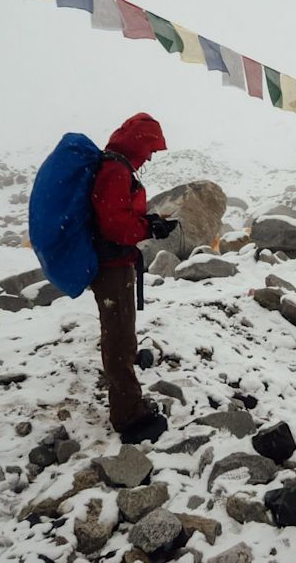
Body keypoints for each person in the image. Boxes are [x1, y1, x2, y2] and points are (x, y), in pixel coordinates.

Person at [91, 112, 177, 444]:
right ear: (139, 143)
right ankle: (128, 415)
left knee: (120, 334)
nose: (152, 155)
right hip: (112, 266)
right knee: (119, 338)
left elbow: (118, 217)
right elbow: (115, 225)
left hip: (115, 261)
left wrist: (148, 221)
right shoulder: (115, 170)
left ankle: (126, 401)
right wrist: (147, 227)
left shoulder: (116, 167)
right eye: (151, 148)